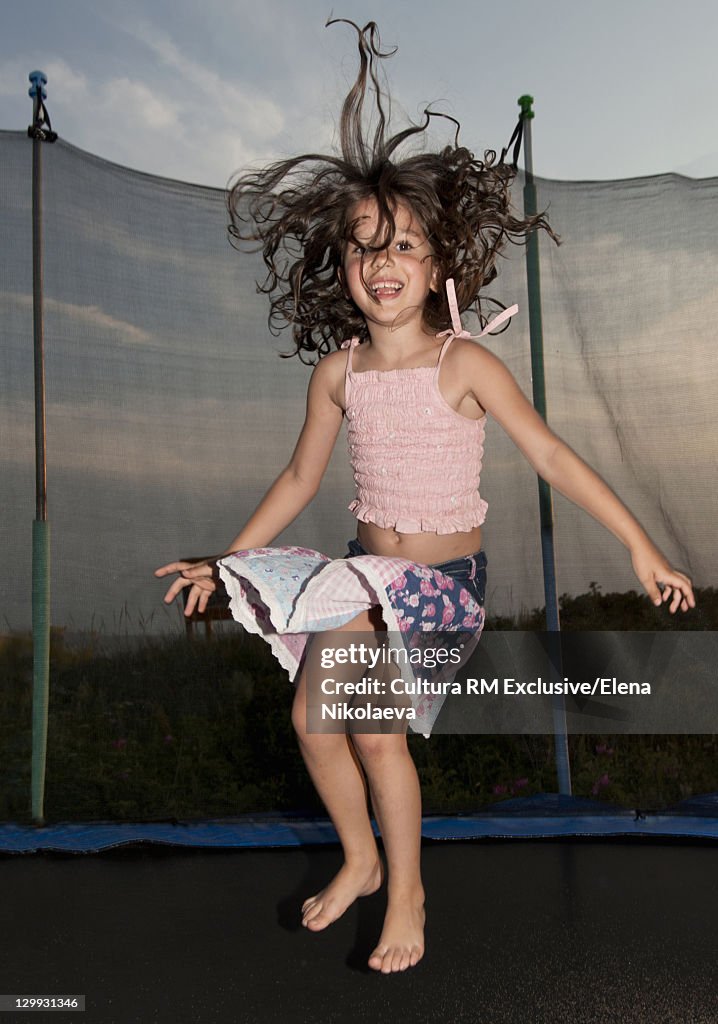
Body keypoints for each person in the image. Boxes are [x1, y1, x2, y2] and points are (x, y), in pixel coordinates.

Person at [155, 19, 695, 974]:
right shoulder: (337, 374)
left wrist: (641, 550)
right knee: (311, 721)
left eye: (401, 243)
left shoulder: (465, 362)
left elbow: (554, 457)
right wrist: (226, 559)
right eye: (363, 247)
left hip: (443, 586)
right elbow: (298, 480)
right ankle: (361, 860)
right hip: (363, 577)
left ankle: (406, 886)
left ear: (437, 265)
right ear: (347, 272)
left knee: (373, 729)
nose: (381, 260)